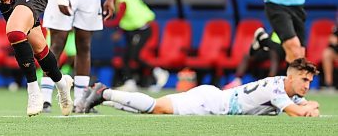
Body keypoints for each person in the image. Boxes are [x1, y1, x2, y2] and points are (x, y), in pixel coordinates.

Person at [82, 58, 320, 117]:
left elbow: (305, 107)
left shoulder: (285, 88)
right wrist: (310, 107)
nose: (307, 85)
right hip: (212, 103)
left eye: (309, 81)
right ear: (291, 77)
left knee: (155, 112)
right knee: (157, 107)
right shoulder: (278, 90)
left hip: (214, 98)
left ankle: (101, 99)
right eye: (304, 80)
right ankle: (105, 91)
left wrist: (310, 106)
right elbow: (299, 112)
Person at [105, 0, 169, 91]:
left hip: (143, 29)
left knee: (133, 55)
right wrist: (120, 32)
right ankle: (130, 82)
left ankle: (158, 72)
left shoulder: (123, 0)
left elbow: (118, 20)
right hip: (136, 30)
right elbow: (127, 18)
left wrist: (101, 23)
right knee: (127, 56)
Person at [321, 23, 337, 91]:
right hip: (336, 53)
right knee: (327, 53)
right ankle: (328, 84)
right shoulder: (335, 29)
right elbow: (331, 41)